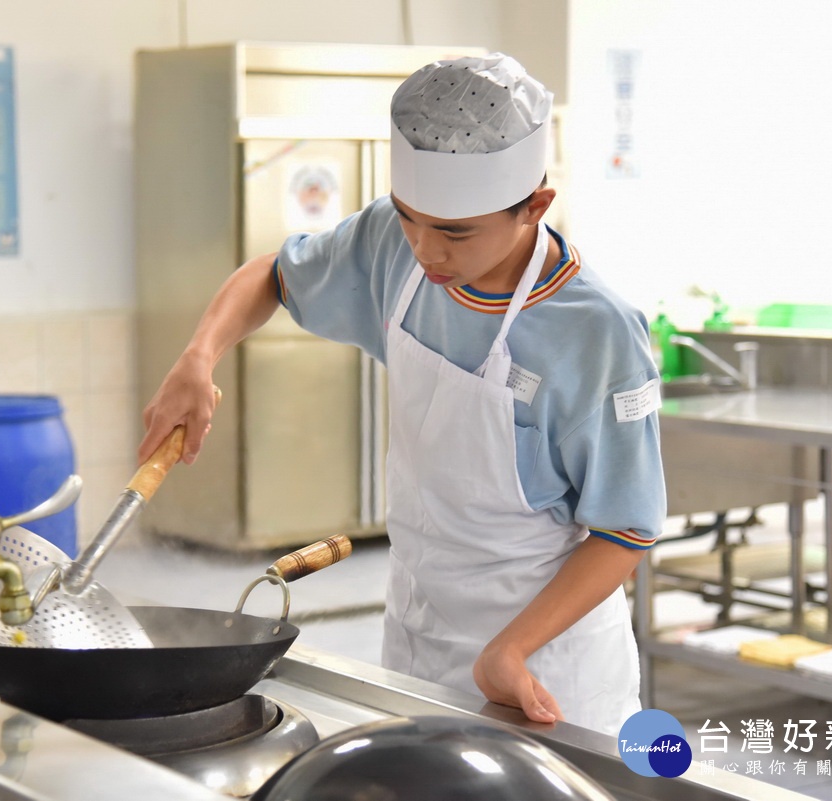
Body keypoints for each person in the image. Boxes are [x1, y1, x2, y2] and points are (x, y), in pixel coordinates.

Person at [139, 53, 666, 736]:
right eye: (410, 217)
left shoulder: (597, 335)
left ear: (534, 205)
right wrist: (197, 355)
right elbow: (272, 273)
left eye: (454, 232)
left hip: (546, 670)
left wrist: (511, 647)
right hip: (418, 637)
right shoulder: (395, 246)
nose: (425, 251)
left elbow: (625, 529)